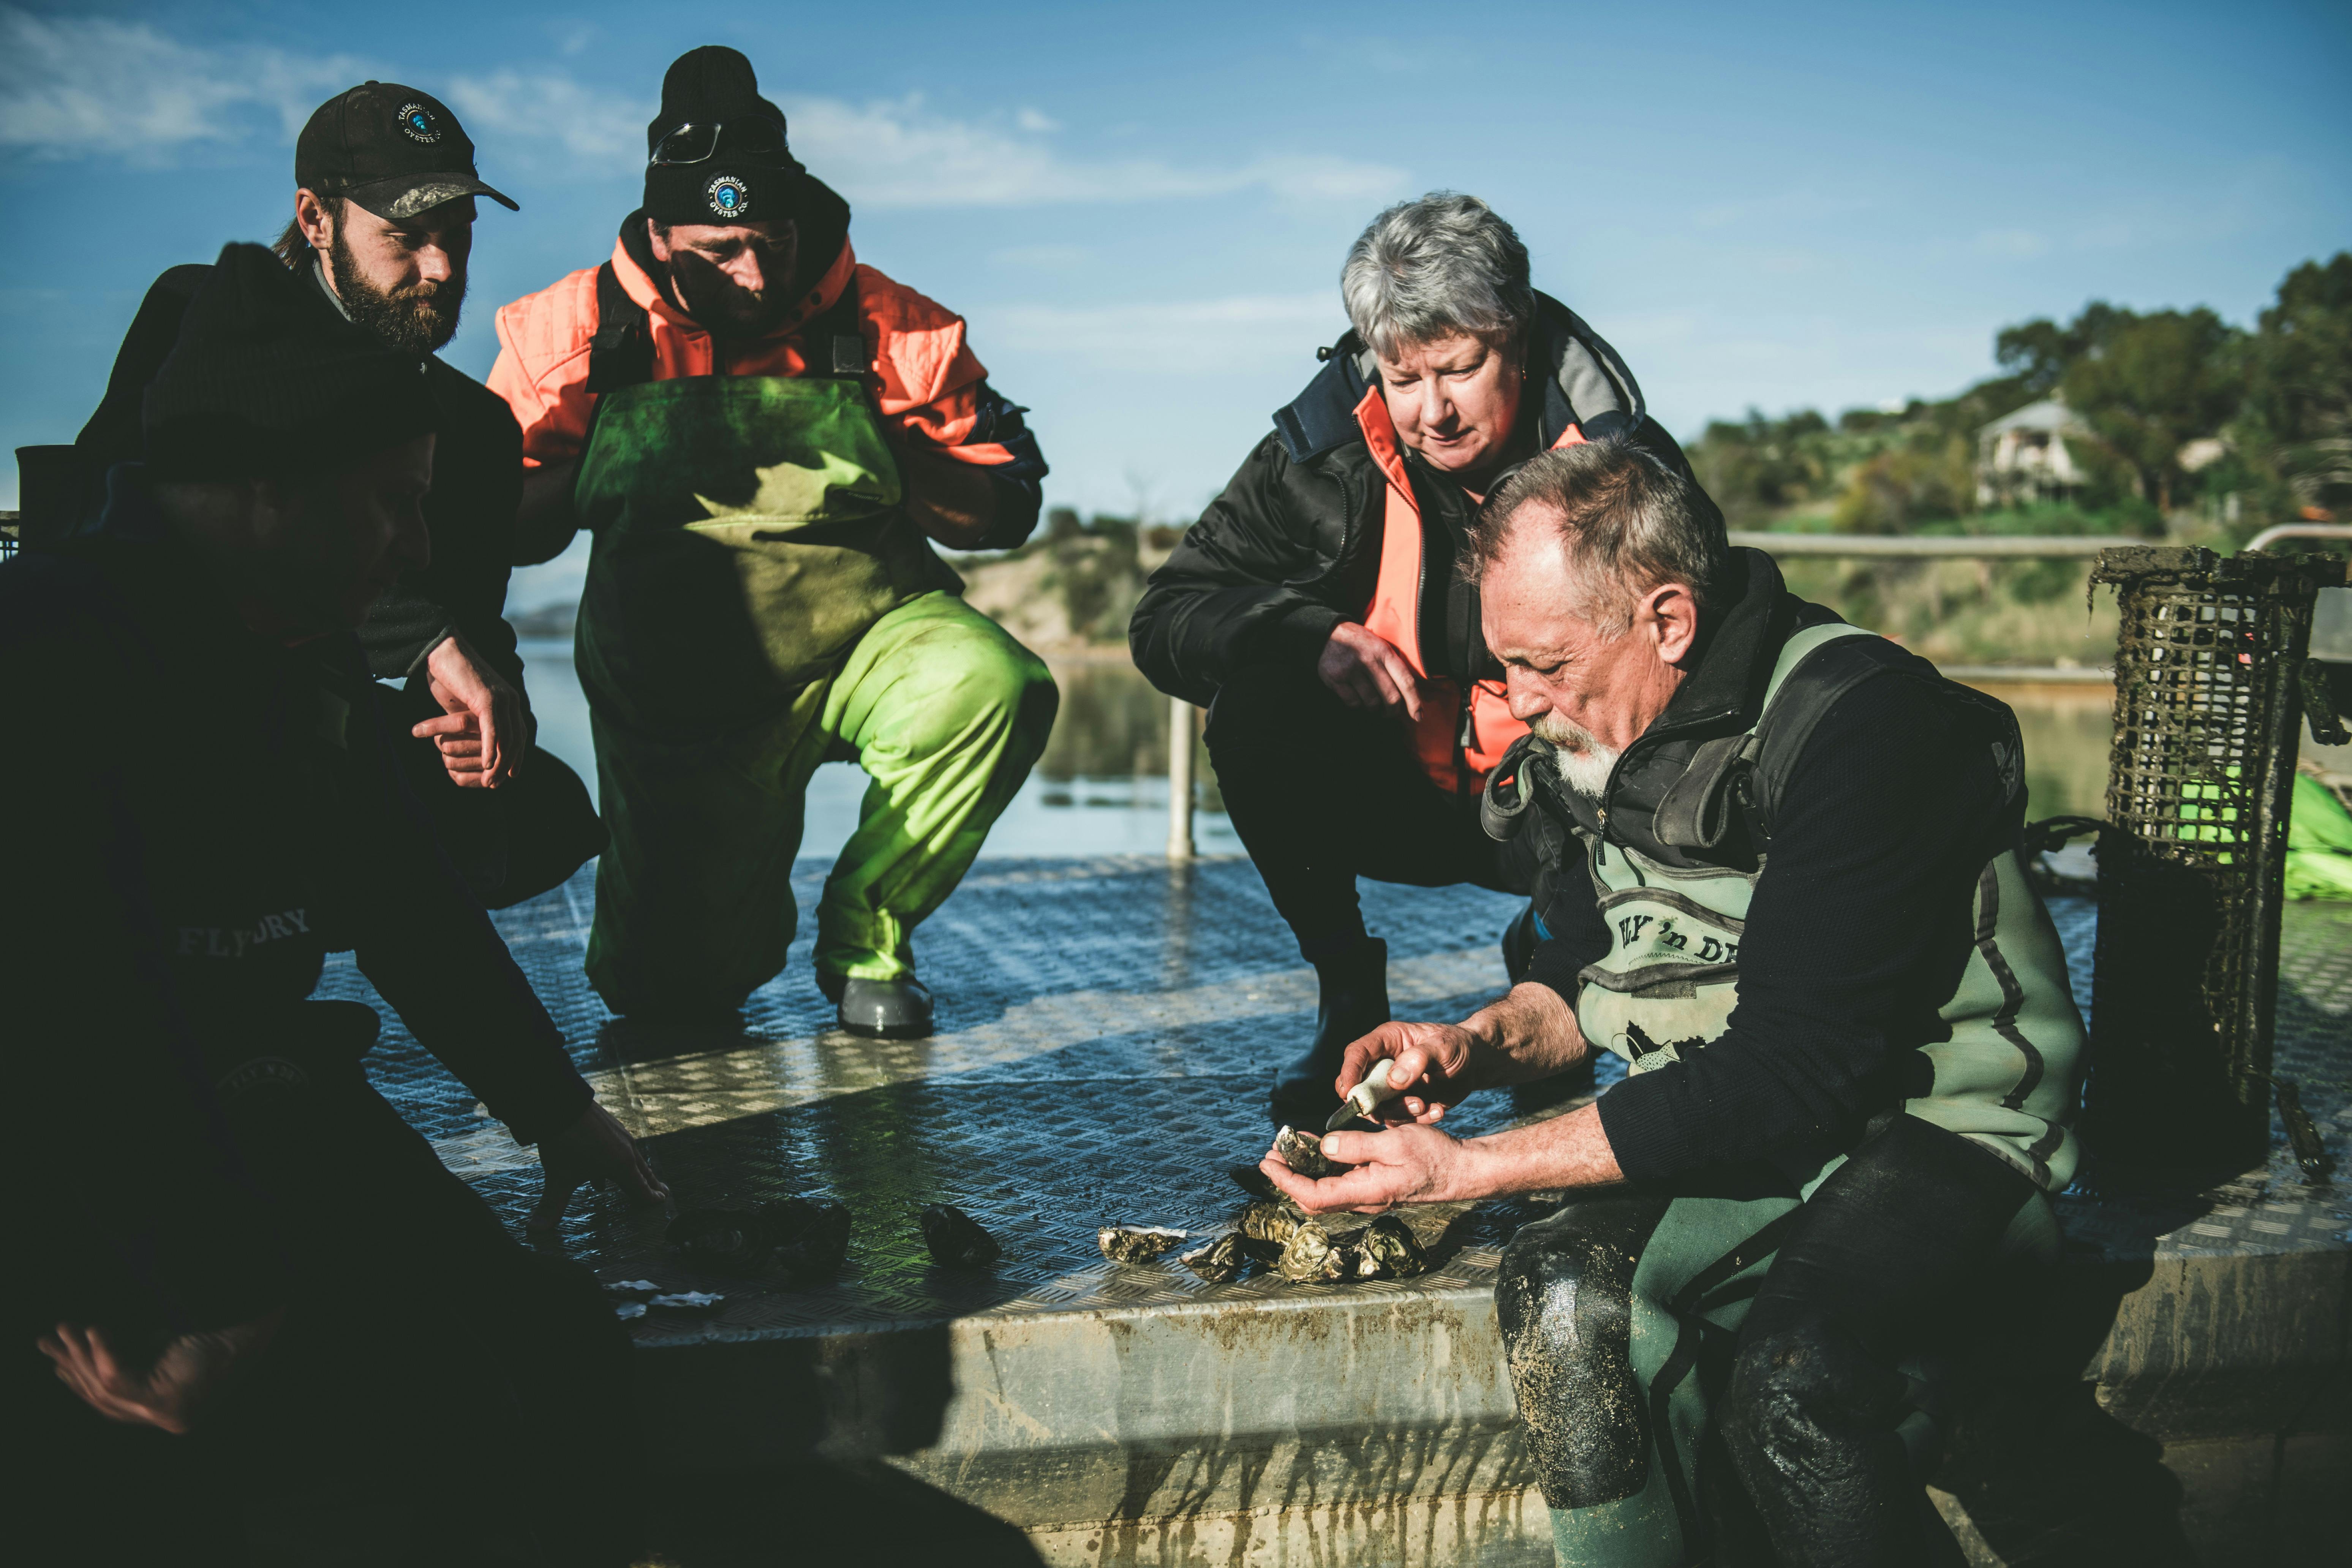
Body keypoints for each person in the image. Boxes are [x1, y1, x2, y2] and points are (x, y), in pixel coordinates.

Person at [1260, 439, 2086, 1567]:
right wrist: (1471, 1047)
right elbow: (1571, 984)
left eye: (1544, 664)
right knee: (1557, 1292)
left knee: (1796, 1387)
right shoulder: (1587, 730)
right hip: (1766, 1121)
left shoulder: (1865, 726)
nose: (1522, 703)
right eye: (1505, 665)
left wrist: (1468, 1171)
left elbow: (1793, 1076)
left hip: (1942, 1131)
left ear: (1669, 622)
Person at [1, 243, 669, 1564]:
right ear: (263, 488)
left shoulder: (290, 653)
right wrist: (224, 1290)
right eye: (391, 504)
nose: (417, 548)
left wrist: (557, 1107)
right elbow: (76, 997)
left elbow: (402, 897)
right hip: (65, 1133)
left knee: (558, 1352)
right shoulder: (46, 655)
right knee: (170, 1455)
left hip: (251, 1084)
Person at [488, 46, 1057, 1037]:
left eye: (774, 239)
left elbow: (1007, 510)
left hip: (872, 648)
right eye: (719, 249)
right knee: (667, 1000)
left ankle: (868, 932)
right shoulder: (571, 333)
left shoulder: (890, 322)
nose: (754, 273)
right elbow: (501, 532)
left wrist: (890, 451)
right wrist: (591, 466)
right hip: (678, 697)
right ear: (661, 235)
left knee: (997, 683)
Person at [1130, 193, 1717, 1125]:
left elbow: (1707, 674)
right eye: (1405, 379)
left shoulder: (1626, 470)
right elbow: (1165, 615)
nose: (1432, 413)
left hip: (1559, 809)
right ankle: (1348, 994)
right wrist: (1305, 632)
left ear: (1517, 341)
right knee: (1256, 703)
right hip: (1396, 788)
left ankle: (1558, 967)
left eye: (1461, 370)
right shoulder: (1317, 455)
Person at [71, 81, 607, 910]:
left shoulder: (480, 429)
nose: (442, 269)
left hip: (345, 719)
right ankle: (214, 975)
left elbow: (475, 621)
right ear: (316, 220)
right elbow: (102, 531)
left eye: (458, 237)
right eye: (407, 237)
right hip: (171, 705)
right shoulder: (199, 318)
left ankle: (293, 955)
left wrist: (494, 711)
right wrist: (424, 638)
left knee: (541, 813)